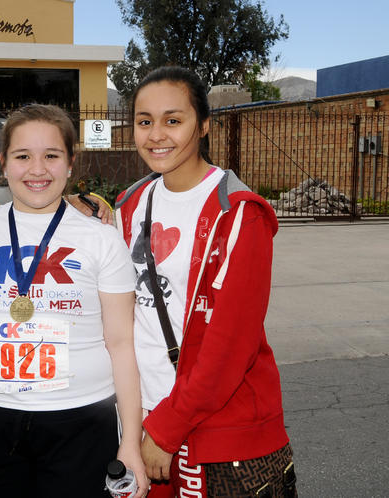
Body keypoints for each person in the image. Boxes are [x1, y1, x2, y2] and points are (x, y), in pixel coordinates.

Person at [115, 67, 297, 497]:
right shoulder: (130, 203)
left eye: (173, 120)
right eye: (145, 121)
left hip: (218, 432)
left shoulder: (238, 214)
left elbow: (230, 346)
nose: (156, 135)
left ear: (205, 125)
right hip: (144, 423)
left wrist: (167, 429)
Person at [0, 104, 149, 498]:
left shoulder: (100, 238)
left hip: (83, 418)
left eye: (51, 155)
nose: (37, 169)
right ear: (3, 162)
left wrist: (131, 442)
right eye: (23, 156)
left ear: (70, 163)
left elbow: (121, 345)